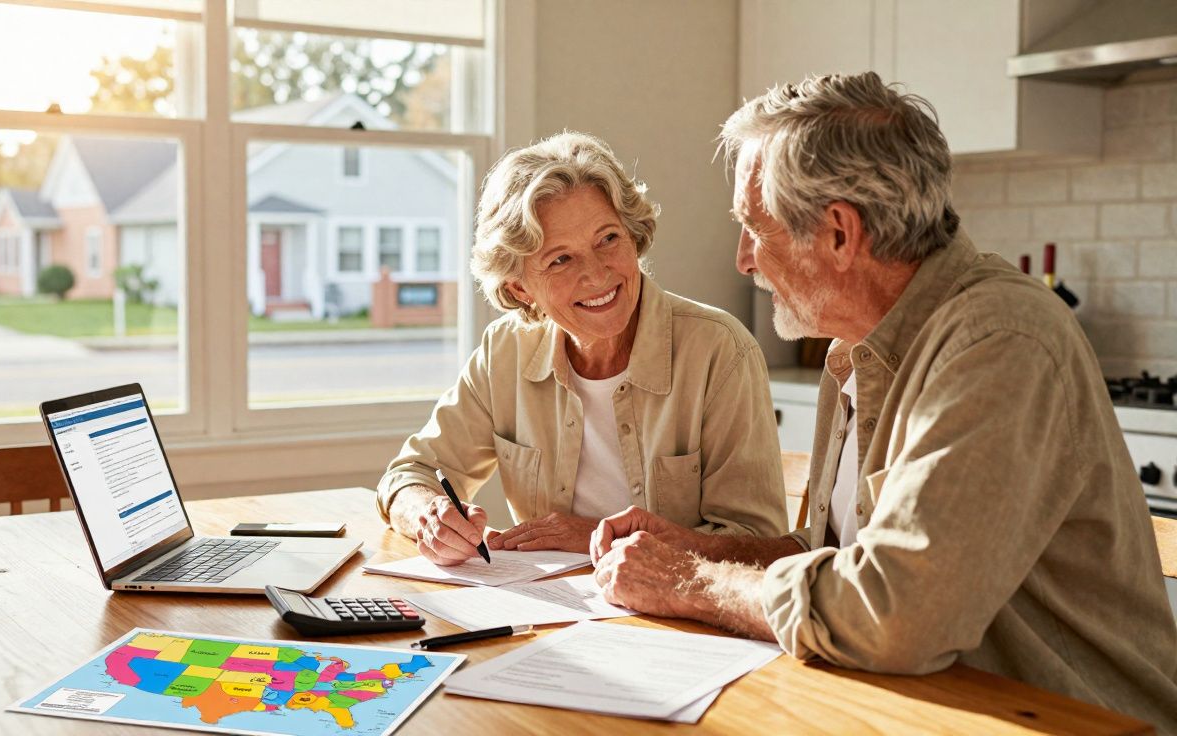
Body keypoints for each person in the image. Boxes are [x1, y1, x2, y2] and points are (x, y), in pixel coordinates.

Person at [590, 72, 1177, 730]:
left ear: (840, 234)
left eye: (754, 228)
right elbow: (843, 570)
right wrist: (703, 553)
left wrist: (690, 582)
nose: (743, 261)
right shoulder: (854, 350)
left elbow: (893, 615)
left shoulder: (1000, 340)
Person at [376, 131, 786, 567]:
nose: (596, 275)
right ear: (520, 287)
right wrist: (429, 514)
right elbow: (409, 475)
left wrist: (595, 537)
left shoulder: (719, 350)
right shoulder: (506, 351)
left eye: (608, 239)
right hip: (549, 613)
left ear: (633, 234)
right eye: (560, 260)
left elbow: (760, 544)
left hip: (680, 617)